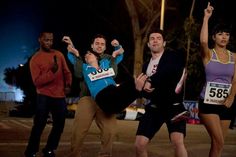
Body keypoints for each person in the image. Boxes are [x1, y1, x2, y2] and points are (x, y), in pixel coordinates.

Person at [62, 35, 125, 157]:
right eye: (97, 43)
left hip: (106, 99)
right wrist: (73, 49)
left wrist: (117, 46)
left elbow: (117, 61)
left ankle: (105, 154)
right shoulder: (85, 59)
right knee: (79, 131)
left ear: (105, 47)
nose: (99, 45)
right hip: (87, 98)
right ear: (92, 45)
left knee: (110, 131)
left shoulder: (108, 59)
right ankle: (75, 154)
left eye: (102, 44)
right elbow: (78, 72)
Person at [134, 29, 188, 157]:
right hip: (155, 108)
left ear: (164, 43)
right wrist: (141, 89)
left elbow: (169, 71)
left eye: (159, 38)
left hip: (175, 106)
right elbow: (146, 92)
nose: (155, 40)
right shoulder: (146, 65)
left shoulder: (173, 57)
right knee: (139, 144)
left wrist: (151, 80)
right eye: (152, 38)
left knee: (177, 141)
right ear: (148, 44)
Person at [24, 31, 72, 157]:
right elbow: (37, 82)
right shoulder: (35, 59)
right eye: (46, 40)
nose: (49, 42)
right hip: (43, 96)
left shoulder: (59, 54)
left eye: (51, 40)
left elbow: (67, 72)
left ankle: (49, 149)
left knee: (60, 125)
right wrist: (52, 72)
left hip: (59, 96)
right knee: (39, 125)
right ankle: (31, 151)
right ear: (39, 40)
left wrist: (68, 85)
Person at [199, 2, 236, 157]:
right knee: (219, 141)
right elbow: (203, 42)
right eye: (220, 34)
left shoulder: (234, 57)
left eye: (226, 34)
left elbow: (235, 81)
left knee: (217, 145)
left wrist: (231, 97)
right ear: (214, 37)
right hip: (208, 104)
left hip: (227, 104)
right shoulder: (208, 55)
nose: (224, 37)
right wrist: (206, 18)